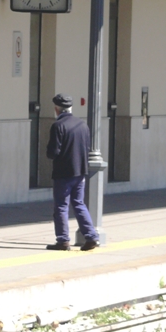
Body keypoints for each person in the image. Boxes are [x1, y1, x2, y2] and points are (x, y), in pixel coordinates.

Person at [45, 93, 100, 251]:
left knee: (61, 206)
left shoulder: (58, 125)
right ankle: (91, 236)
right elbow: (86, 148)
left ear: (57, 109)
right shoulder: (82, 125)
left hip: (63, 173)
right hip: (80, 172)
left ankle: (63, 241)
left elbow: (53, 152)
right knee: (79, 204)